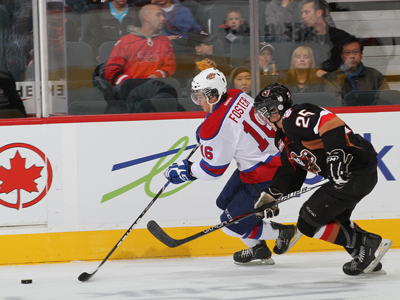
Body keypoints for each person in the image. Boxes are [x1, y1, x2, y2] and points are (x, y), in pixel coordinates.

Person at [253, 82, 392, 275]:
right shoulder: (281, 138)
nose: (264, 118)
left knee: (307, 222)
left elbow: (329, 122)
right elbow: (293, 171)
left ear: (276, 109)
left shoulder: (292, 117)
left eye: (265, 112)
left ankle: (364, 243)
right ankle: (366, 258)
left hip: (355, 171)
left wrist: (335, 154)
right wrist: (272, 195)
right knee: (332, 218)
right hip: (349, 176)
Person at [164, 67, 299, 265]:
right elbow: (231, 124)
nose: (198, 102)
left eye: (200, 97)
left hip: (265, 175)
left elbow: (213, 170)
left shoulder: (216, 127)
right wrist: (208, 130)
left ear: (213, 96)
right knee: (224, 204)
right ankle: (259, 249)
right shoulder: (237, 95)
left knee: (229, 225)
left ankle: (283, 232)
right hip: (258, 165)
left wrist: (188, 172)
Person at [104, 4, 175, 86]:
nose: (163, 18)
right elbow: (111, 69)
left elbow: (170, 66)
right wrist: (128, 83)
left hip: (157, 89)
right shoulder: (126, 41)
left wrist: (155, 76)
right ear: (146, 18)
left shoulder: (165, 41)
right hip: (131, 93)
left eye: (162, 15)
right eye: (158, 15)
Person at [324, 35, 389, 106]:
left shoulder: (375, 76)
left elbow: (385, 101)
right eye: (347, 53)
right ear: (342, 56)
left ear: (361, 55)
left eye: (355, 52)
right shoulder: (333, 78)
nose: (352, 56)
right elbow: (335, 106)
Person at [300, 0, 350, 77]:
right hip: (311, 84)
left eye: (306, 12)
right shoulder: (302, 39)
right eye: (302, 13)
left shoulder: (342, 37)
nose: (303, 16)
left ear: (318, 13)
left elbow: (352, 64)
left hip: (338, 84)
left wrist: (332, 76)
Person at [265, 0, 335, 42]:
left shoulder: (311, 2)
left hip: (310, 43)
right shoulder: (271, 6)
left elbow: (331, 28)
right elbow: (273, 32)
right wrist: (283, 7)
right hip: (284, 46)